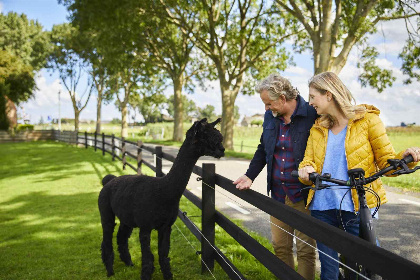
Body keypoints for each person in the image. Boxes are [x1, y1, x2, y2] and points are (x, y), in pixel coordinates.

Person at [298, 71, 420, 280]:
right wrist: (306, 170)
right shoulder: (317, 128)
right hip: (322, 208)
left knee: (368, 269)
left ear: (328, 94)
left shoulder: (368, 121)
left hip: (355, 209)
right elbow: (307, 161)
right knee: (329, 273)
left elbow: (386, 162)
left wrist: (406, 157)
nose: (310, 103)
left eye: (312, 97)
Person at [233, 73, 318, 280]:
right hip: (278, 195)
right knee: (280, 247)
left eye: (268, 103)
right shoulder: (270, 117)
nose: (266, 108)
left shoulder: (311, 114)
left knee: (306, 251)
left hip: (304, 195)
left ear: (282, 98)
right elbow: (264, 149)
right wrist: (249, 175)